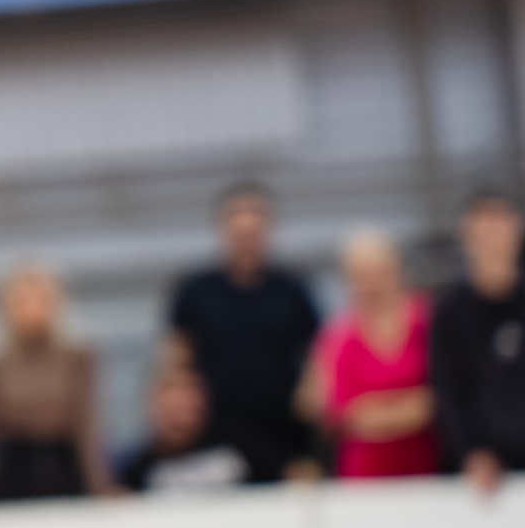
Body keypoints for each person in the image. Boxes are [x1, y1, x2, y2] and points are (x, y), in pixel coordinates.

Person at [169, 183, 322, 483]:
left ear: (268, 230)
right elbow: (176, 358)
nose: (247, 238)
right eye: (239, 229)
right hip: (215, 435)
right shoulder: (196, 291)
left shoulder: (293, 290)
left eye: (254, 229)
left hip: (284, 433)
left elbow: (317, 355)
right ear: (222, 230)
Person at [299, 229, 436, 479]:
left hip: (432, 469)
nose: (372, 283)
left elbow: (444, 396)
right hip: (364, 476)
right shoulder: (337, 335)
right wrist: (411, 407)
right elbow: (342, 413)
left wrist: (377, 411)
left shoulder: (429, 321)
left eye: (380, 273)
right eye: (361, 276)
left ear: (398, 270)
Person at [0, 264, 110, 501]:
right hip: (11, 466)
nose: (33, 310)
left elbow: (86, 425)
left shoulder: (77, 357)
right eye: (23, 302)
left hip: (62, 464)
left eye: (40, 300)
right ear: (6, 307)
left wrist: (101, 486)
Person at [431, 188, 525, 494]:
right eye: (484, 232)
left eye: (501, 227)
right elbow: (448, 387)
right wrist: (471, 451)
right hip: (483, 470)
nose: (494, 240)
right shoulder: (450, 310)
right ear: (466, 238)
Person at [119, 336, 246, 493]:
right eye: (169, 389)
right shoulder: (137, 471)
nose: (181, 400)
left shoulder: (241, 450)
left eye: (189, 388)